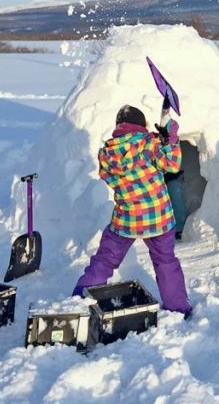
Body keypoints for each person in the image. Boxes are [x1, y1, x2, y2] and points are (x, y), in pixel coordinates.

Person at [73, 104, 191, 316]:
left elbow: (109, 178)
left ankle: (78, 301)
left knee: (104, 260)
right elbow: (172, 165)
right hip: (158, 218)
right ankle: (178, 308)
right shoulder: (149, 144)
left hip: (126, 218)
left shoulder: (106, 153)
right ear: (140, 125)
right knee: (165, 261)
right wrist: (170, 137)